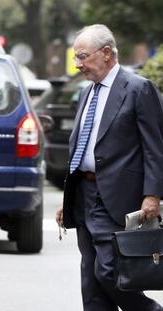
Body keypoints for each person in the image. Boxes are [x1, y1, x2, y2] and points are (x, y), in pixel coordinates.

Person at [55, 24, 163, 310]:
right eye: (76, 57)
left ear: (106, 53)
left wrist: (153, 195)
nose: (77, 64)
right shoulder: (85, 93)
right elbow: (82, 145)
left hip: (117, 197)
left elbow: (155, 148)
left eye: (82, 57)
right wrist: (69, 196)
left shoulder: (138, 89)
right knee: (90, 281)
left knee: (109, 272)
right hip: (84, 195)